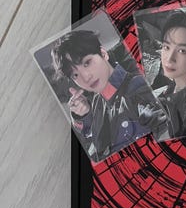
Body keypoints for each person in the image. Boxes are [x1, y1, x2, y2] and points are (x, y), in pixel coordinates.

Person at [52, 29, 169, 162]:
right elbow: (95, 138)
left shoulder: (139, 89)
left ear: (103, 53)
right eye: (75, 74)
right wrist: (83, 115)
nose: (86, 77)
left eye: (87, 63)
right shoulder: (97, 100)